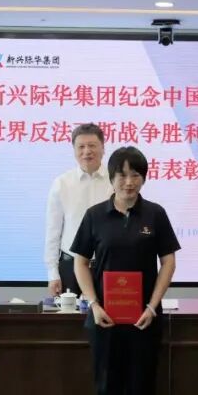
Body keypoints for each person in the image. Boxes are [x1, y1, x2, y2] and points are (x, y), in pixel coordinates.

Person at [70, 146, 180, 395]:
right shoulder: (95, 216)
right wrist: (93, 303)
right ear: (112, 177)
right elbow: (80, 262)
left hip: (143, 320)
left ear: (143, 178)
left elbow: (168, 262)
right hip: (104, 319)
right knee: (108, 390)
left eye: (136, 175)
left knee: (141, 391)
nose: (129, 182)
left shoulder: (155, 214)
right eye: (122, 175)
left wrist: (152, 306)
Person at [44, 124, 112, 298]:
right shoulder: (62, 183)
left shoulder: (115, 181)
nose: (86, 151)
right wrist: (53, 273)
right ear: (74, 150)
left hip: (108, 265)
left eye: (92, 145)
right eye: (81, 146)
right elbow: (53, 232)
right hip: (70, 267)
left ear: (103, 148)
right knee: (70, 316)